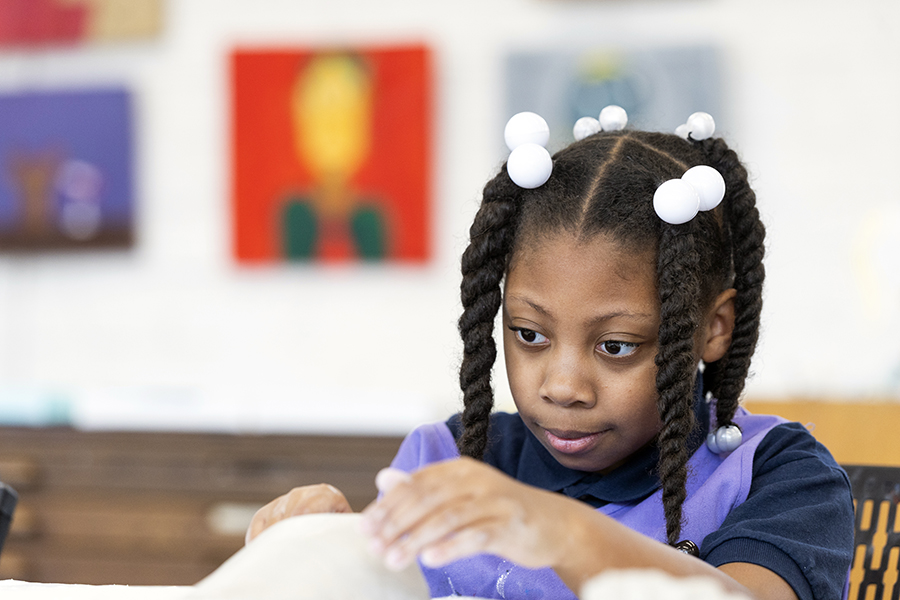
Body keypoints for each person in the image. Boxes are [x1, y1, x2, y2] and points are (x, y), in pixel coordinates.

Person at [246, 108, 855, 600]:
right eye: (530, 335)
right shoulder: (447, 461)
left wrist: (558, 529)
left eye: (615, 346)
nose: (562, 386)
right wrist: (317, 549)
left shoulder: (777, 476)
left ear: (713, 327)